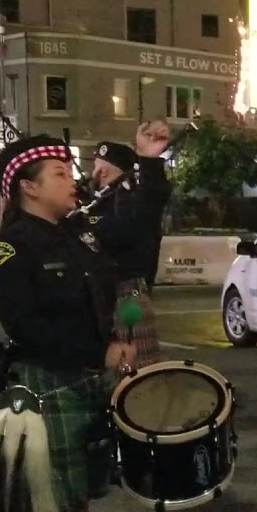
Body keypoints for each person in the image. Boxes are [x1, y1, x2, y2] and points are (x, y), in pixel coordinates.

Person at [0, 135, 136, 512]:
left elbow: (126, 257)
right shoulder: (10, 249)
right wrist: (100, 354)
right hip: (44, 383)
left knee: (80, 497)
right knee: (50, 503)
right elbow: (27, 325)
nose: (74, 181)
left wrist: (115, 341)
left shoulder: (77, 235)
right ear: (27, 186)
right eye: (61, 175)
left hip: (85, 381)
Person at [88, 124, 172, 368]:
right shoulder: (93, 203)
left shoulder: (130, 200)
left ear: (102, 170)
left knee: (135, 384)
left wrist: (149, 159)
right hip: (96, 297)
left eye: (96, 166)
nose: (94, 172)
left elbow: (153, 197)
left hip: (124, 295)